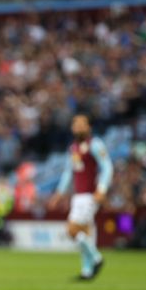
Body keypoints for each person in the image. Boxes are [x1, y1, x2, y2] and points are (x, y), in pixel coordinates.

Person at [49, 114, 113, 280]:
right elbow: (68, 173)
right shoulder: (74, 148)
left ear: (88, 127)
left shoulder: (95, 144)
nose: (77, 127)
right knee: (85, 234)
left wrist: (102, 189)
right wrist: (59, 193)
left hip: (89, 196)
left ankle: (97, 258)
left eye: (81, 124)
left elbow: (107, 167)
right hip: (78, 197)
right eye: (75, 124)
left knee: (72, 230)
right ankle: (87, 271)